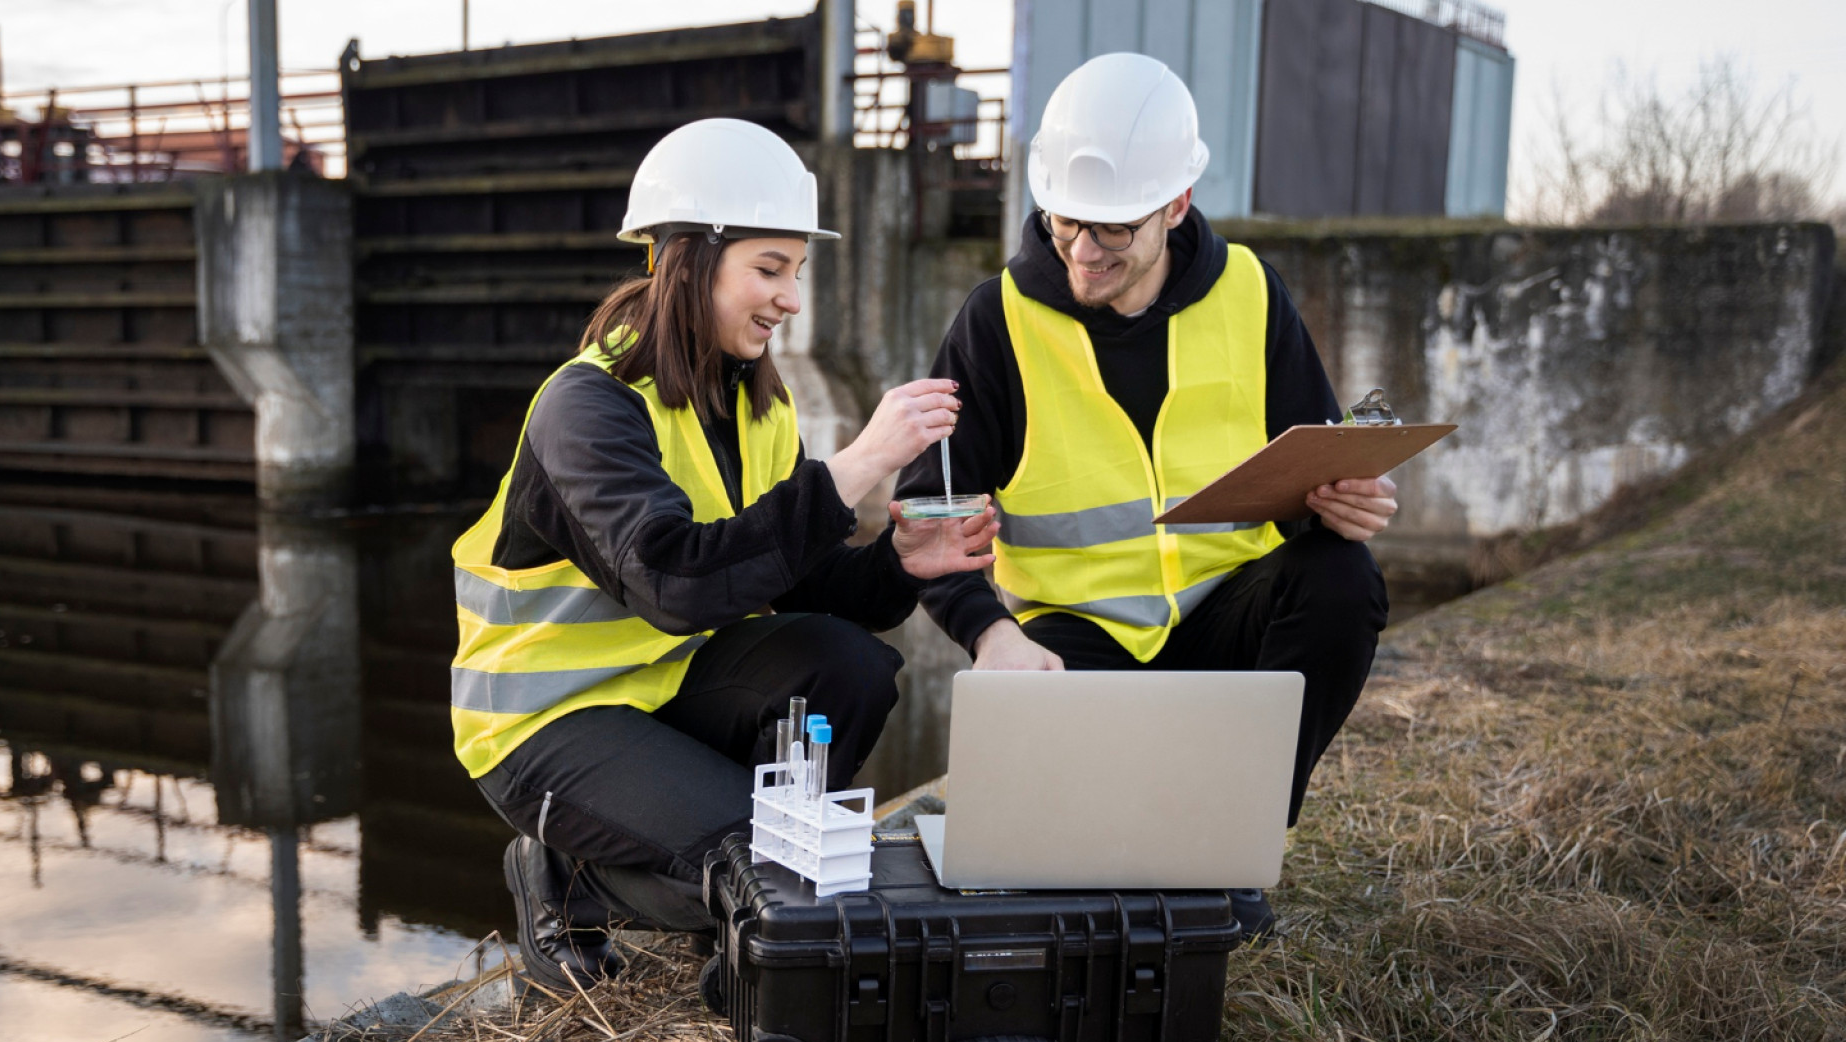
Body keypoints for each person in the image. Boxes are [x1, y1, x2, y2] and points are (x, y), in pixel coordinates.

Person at [452, 118, 998, 991]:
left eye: (797, 273)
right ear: (689, 260)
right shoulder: (586, 410)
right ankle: (561, 879)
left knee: (851, 663)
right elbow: (673, 582)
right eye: (769, 270)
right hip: (542, 724)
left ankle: (744, 919)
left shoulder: (755, 408)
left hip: (663, 689)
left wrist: (902, 562)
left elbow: (799, 581)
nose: (789, 299)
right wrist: (857, 463)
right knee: (762, 864)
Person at [896, 53, 1397, 939]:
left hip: (1225, 616)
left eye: (1117, 228)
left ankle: (1231, 844)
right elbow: (932, 510)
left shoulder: (1250, 294)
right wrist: (990, 632)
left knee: (1341, 579)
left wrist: (1343, 500)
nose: (1086, 251)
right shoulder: (997, 320)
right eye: (1068, 222)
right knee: (1059, 853)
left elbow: (1311, 466)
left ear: (1176, 206)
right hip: (1075, 640)